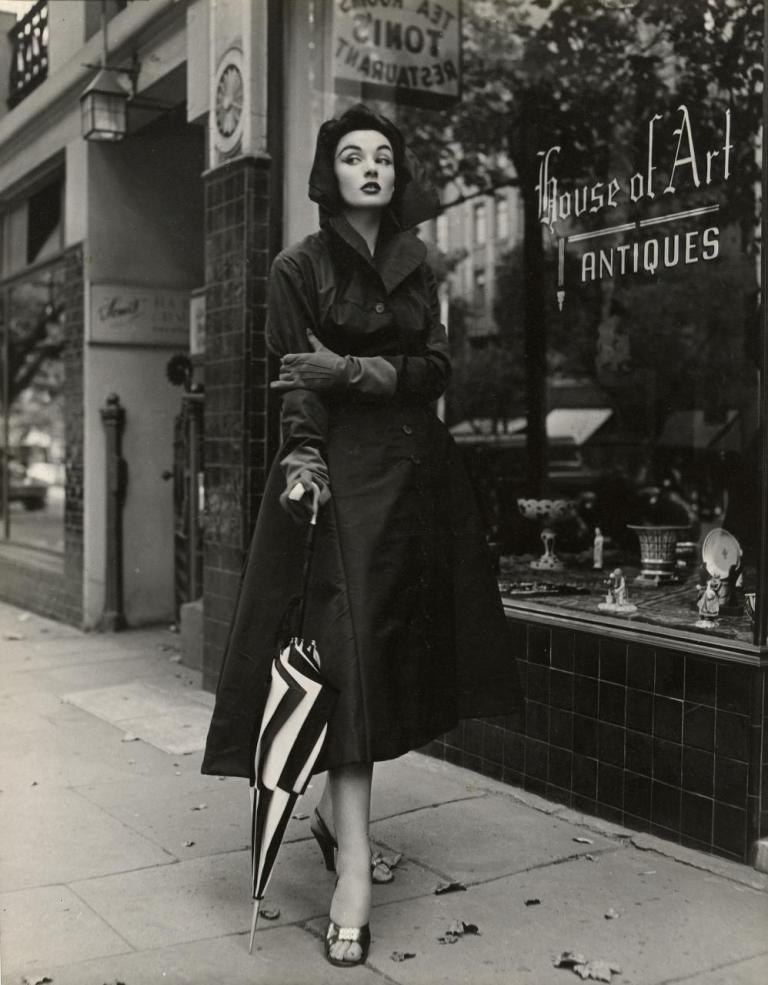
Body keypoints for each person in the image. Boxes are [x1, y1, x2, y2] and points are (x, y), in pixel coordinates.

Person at [201, 104, 523, 967]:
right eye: (353, 155)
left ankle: (332, 821)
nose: (371, 166)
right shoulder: (297, 266)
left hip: (417, 482)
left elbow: (437, 369)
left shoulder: (420, 263)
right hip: (338, 481)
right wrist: (304, 459)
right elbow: (294, 382)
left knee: (383, 664)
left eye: (383, 155)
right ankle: (352, 874)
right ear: (329, 173)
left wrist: (352, 368)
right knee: (345, 665)